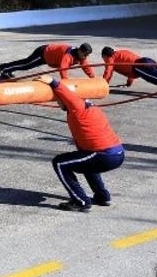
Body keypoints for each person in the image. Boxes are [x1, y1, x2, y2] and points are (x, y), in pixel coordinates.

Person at [38, 73, 125, 212]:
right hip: (117, 153)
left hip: (104, 154)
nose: (57, 102)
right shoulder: (91, 107)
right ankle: (103, 197)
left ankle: (81, 202)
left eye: (58, 100)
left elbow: (68, 95)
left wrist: (53, 82)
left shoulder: (77, 107)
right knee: (86, 162)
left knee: (60, 163)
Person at [0, 42, 95, 80]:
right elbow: (63, 69)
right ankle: (4, 69)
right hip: (43, 53)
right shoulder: (69, 55)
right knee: (26, 65)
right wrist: (66, 82)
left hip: (48, 58)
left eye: (87, 55)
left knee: (25, 63)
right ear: (80, 50)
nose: (86, 57)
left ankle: (5, 67)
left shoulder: (81, 57)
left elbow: (86, 67)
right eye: (85, 54)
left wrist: (93, 77)